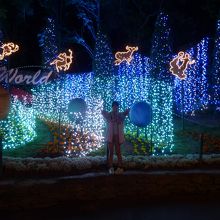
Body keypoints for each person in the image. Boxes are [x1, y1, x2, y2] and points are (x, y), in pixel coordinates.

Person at [102, 101, 129, 175]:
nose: (115, 108)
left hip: (117, 135)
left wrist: (126, 112)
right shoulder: (109, 115)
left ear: (118, 107)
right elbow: (104, 113)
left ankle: (120, 167)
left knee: (118, 152)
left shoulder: (120, 115)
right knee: (111, 152)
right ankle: (110, 167)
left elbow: (125, 113)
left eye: (116, 106)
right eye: (114, 106)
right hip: (110, 135)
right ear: (112, 107)